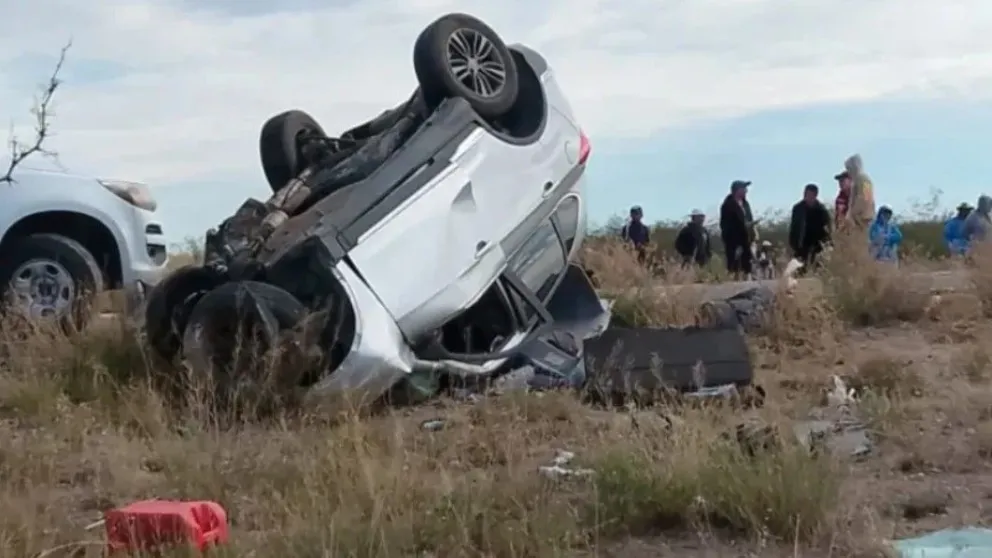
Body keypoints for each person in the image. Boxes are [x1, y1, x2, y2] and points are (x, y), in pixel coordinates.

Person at [788, 183, 832, 271]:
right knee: (799, 271)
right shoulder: (798, 208)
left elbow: (827, 229)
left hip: (817, 247)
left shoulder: (822, 211)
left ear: (815, 195)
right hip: (801, 246)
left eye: (808, 194)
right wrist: (793, 243)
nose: (806, 196)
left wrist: (826, 245)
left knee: (817, 271)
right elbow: (793, 227)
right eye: (805, 194)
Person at [719, 180, 755, 279]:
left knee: (747, 264)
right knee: (734, 264)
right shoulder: (728, 205)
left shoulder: (745, 204)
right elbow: (725, 225)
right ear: (737, 190)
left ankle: (747, 279)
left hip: (746, 239)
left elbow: (749, 218)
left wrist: (752, 232)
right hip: (734, 241)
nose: (746, 191)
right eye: (744, 188)